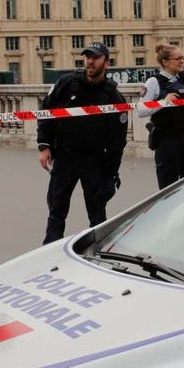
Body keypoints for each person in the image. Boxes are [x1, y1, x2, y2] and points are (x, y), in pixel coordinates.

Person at [37, 43, 128, 244]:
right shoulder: (67, 84)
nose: (90, 61)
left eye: (95, 57)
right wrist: (44, 146)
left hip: (94, 159)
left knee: (97, 212)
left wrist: (110, 172)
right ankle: (50, 248)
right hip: (65, 155)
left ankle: (99, 249)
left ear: (106, 62)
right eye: (87, 57)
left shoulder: (112, 95)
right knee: (56, 208)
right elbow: (45, 113)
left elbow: (118, 139)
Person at [141, 44, 184, 189]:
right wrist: (163, 102)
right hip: (166, 139)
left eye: (183, 58)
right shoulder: (154, 82)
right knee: (168, 187)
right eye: (178, 59)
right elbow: (141, 111)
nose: (182, 61)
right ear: (165, 62)